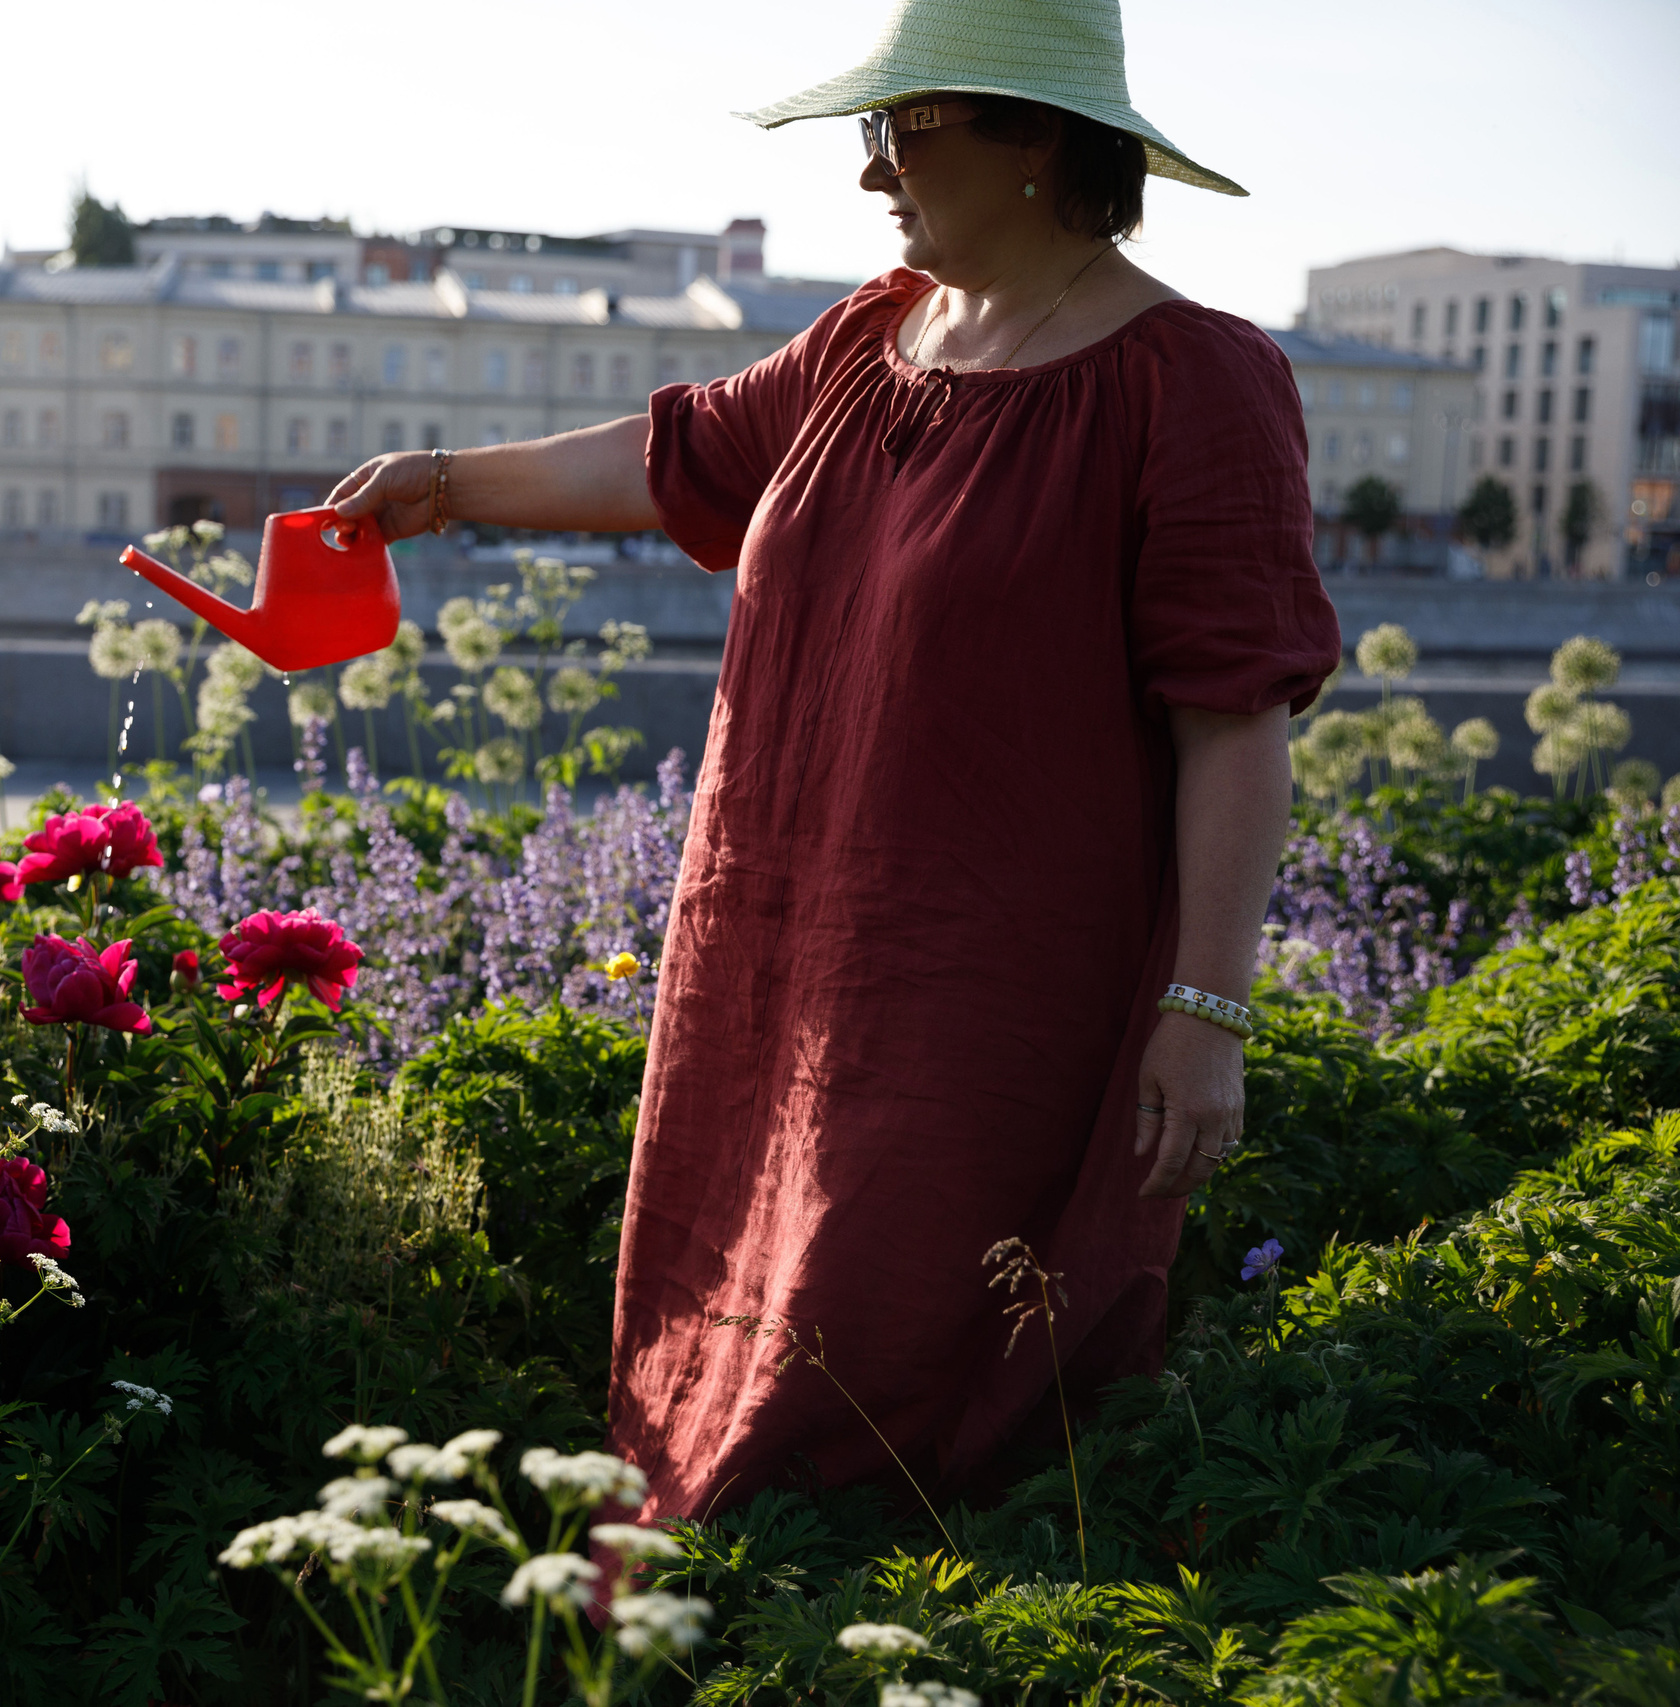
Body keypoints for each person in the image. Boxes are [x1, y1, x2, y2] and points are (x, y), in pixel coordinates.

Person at [327, 0, 1341, 1524]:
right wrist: (449, 486)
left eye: (902, 129)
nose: (872, 171)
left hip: (997, 1001)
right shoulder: (871, 337)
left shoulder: (1195, 382)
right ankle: (700, 1613)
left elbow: (1236, 718)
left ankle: (861, 1644)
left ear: (1037, 140)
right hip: (781, 961)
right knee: (746, 1293)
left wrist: (1206, 1012)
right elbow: (679, 455)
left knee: (918, 1370)